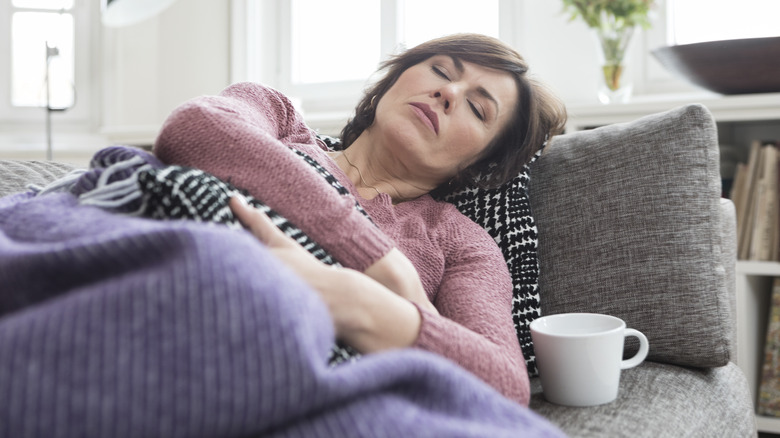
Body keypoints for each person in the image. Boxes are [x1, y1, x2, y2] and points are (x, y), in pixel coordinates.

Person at [153, 33, 567, 407]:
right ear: (393, 81)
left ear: (479, 164)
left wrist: (354, 301)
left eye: (478, 108)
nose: (448, 91)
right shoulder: (279, 120)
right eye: (441, 70)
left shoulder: (461, 242)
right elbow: (193, 129)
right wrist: (380, 263)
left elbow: (505, 386)